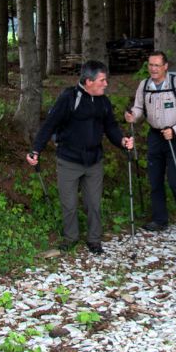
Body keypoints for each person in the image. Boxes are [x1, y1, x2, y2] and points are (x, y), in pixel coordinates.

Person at [26, 61, 133, 255]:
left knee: (93, 203)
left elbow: (111, 127)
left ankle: (94, 240)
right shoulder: (69, 98)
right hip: (69, 160)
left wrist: (122, 141)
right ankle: (71, 238)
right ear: (89, 81)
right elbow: (49, 125)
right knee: (69, 204)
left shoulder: (103, 102)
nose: (106, 83)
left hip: (94, 161)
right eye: (102, 80)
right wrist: (36, 150)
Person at [125, 51, 176, 231]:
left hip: (175, 135)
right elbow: (139, 107)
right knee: (154, 178)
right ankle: (159, 219)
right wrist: (133, 115)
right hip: (155, 135)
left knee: (175, 178)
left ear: (165, 66)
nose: (153, 69)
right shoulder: (144, 85)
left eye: (157, 65)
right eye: (150, 65)